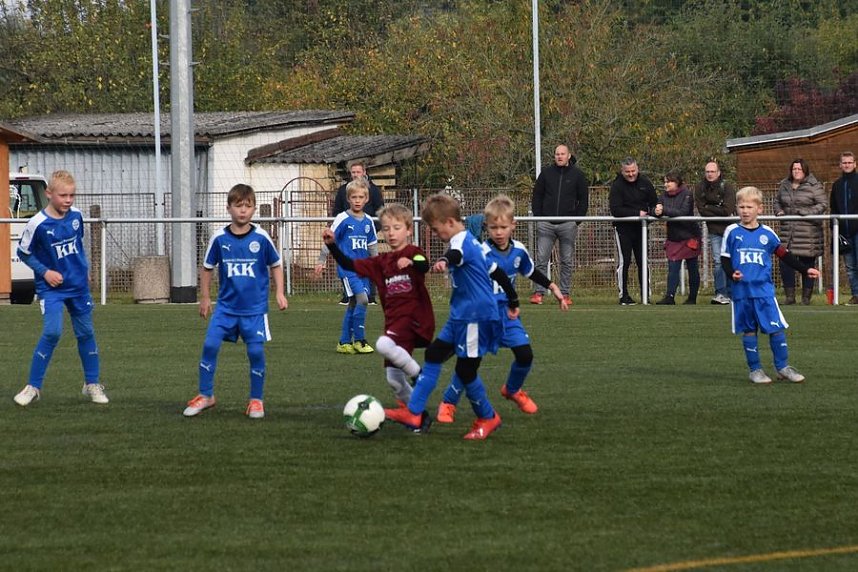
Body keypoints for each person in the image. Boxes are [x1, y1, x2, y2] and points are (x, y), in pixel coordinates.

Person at [384, 193, 520, 440]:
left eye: (436, 230)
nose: (437, 235)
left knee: (466, 372)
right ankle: (414, 412)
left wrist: (445, 261)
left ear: (449, 222)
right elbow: (497, 271)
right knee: (434, 354)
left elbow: (455, 255)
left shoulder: (460, 242)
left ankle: (488, 417)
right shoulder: (473, 243)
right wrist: (513, 299)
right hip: (461, 316)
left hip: (476, 317)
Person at [435, 195, 568, 424]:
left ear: (513, 226)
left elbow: (530, 271)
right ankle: (448, 403)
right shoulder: (480, 250)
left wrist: (552, 286)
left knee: (525, 355)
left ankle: (512, 389)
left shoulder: (518, 251)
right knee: (469, 362)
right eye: (494, 227)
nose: (498, 232)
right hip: (482, 316)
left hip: (508, 313)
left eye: (503, 227)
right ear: (487, 227)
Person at [183, 184, 288, 419]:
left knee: (255, 353)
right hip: (226, 308)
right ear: (229, 208)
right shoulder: (219, 238)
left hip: (254, 310)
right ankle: (206, 395)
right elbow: (208, 268)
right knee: (210, 345)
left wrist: (280, 292)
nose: (243, 211)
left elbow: (276, 264)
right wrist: (205, 297)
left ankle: (256, 401)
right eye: (238, 206)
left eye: (248, 206)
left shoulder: (261, 237)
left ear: (253, 210)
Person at [321, 203, 434, 406]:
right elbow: (349, 264)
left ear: (408, 230)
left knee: (382, 344)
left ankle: (421, 377)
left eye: (397, 228)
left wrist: (411, 262)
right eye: (387, 229)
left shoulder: (413, 251)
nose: (391, 233)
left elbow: (424, 263)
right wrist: (332, 246)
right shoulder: (381, 262)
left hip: (413, 321)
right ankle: (417, 413)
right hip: (393, 324)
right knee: (395, 379)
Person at [13, 170, 108, 406]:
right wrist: (46, 272)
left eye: (72, 195)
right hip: (51, 289)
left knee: (86, 333)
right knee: (52, 332)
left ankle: (92, 384)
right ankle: (33, 387)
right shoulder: (37, 224)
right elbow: (23, 253)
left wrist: (84, 270)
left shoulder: (77, 216)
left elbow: (78, 245)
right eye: (63, 195)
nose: (68, 200)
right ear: (49, 194)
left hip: (78, 287)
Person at [721, 186, 819, 384]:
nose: (745, 211)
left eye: (749, 206)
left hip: (764, 291)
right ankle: (755, 370)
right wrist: (732, 273)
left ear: (759, 209)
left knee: (776, 328)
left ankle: (782, 367)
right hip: (742, 292)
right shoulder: (731, 231)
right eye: (741, 207)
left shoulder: (767, 233)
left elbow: (784, 254)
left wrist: (803, 269)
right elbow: (724, 259)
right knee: (749, 330)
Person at [315, 179, 378, 354]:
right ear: (348, 199)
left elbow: (372, 246)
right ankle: (360, 339)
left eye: (361, 197)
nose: (357, 200)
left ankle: (344, 342)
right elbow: (329, 240)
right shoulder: (343, 218)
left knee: (353, 303)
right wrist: (321, 260)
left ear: (366, 199)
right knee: (363, 300)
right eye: (354, 197)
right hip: (348, 270)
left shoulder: (368, 222)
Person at [529, 144, 589, 306]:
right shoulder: (546, 174)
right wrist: (539, 217)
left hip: (568, 225)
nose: (559, 156)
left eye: (562, 154)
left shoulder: (578, 175)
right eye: (557, 154)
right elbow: (537, 196)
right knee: (541, 259)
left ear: (569, 155)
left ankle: (564, 294)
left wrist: (576, 220)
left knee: (567, 261)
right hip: (545, 224)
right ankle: (538, 293)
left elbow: (583, 200)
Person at [774, 158, 827, 305]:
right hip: (787, 232)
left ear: (805, 170)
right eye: (794, 169)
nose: (796, 172)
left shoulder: (814, 185)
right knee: (785, 262)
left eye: (799, 169)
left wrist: (807, 212)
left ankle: (806, 298)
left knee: (807, 263)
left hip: (807, 232)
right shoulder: (784, 185)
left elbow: (823, 204)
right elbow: (777, 201)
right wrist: (778, 211)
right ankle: (790, 296)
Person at [332, 161, 384, 305]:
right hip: (348, 236)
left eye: (358, 172)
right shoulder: (343, 190)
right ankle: (347, 295)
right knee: (347, 263)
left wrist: (374, 228)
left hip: (365, 233)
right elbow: (336, 211)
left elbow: (380, 209)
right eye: (353, 172)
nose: (355, 175)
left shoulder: (373, 190)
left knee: (369, 262)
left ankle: (371, 295)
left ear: (364, 172)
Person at [609, 157, 658, 305]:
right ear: (622, 171)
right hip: (623, 229)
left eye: (633, 171)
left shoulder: (645, 183)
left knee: (643, 261)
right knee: (625, 261)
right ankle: (624, 296)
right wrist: (637, 213)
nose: (631, 174)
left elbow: (654, 203)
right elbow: (616, 209)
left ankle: (645, 296)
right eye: (627, 172)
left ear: (637, 169)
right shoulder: (617, 186)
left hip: (642, 229)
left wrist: (655, 210)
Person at [654, 172, 701, 305]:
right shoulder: (663, 196)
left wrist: (664, 210)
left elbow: (683, 212)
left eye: (669, 181)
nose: (666, 184)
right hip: (674, 237)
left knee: (692, 267)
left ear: (677, 182)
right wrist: (655, 211)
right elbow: (656, 209)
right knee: (673, 267)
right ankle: (670, 296)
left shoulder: (687, 194)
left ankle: (692, 298)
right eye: (665, 181)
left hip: (690, 236)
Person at [693, 160, 736, 305]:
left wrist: (710, 207)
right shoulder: (700, 188)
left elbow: (727, 210)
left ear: (718, 173)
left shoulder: (727, 187)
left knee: (732, 260)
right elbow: (701, 210)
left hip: (730, 229)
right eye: (707, 172)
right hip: (714, 230)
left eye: (712, 171)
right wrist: (717, 207)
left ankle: (732, 293)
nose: (710, 174)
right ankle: (721, 293)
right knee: (718, 261)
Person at [829, 151, 858, 305]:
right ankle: (856, 295)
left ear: (855, 164)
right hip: (844, 232)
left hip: (857, 230)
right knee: (850, 266)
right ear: (840, 165)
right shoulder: (837, 185)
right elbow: (833, 208)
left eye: (849, 162)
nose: (847, 165)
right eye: (844, 162)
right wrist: (834, 229)